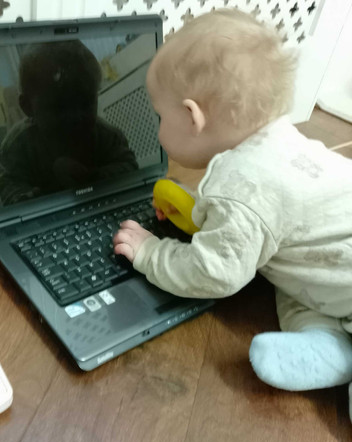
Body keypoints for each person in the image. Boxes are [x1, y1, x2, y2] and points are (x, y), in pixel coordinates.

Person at [113, 9, 352, 412]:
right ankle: (331, 348)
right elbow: (245, 207)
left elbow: (214, 272)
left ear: (192, 117)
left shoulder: (242, 192)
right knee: (291, 278)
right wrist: (191, 203)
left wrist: (151, 253)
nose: (157, 128)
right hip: (328, 275)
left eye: (159, 116)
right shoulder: (274, 142)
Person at [0, 40, 137, 205]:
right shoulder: (18, 145)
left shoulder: (106, 135)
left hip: (97, 206)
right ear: (28, 107)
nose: (76, 118)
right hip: (46, 217)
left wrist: (92, 177)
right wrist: (28, 198)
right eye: (59, 108)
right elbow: (7, 183)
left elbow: (129, 165)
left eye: (85, 103)